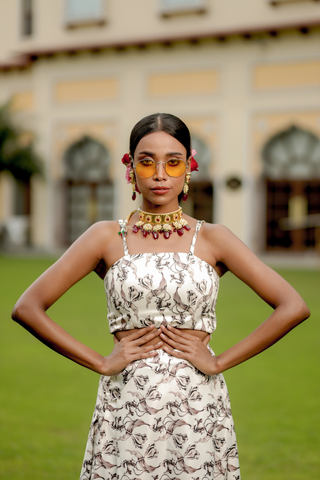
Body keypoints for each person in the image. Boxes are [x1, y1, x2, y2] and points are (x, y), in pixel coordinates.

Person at [12, 113, 310, 480]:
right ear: (130, 168)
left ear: (189, 168)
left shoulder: (213, 238)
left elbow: (293, 306)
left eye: (173, 162)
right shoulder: (105, 237)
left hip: (197, 406)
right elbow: (27, 308)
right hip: (127, 402)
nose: (159, 174)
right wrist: (101, 362)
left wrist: (219, 362)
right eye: (147, 161)